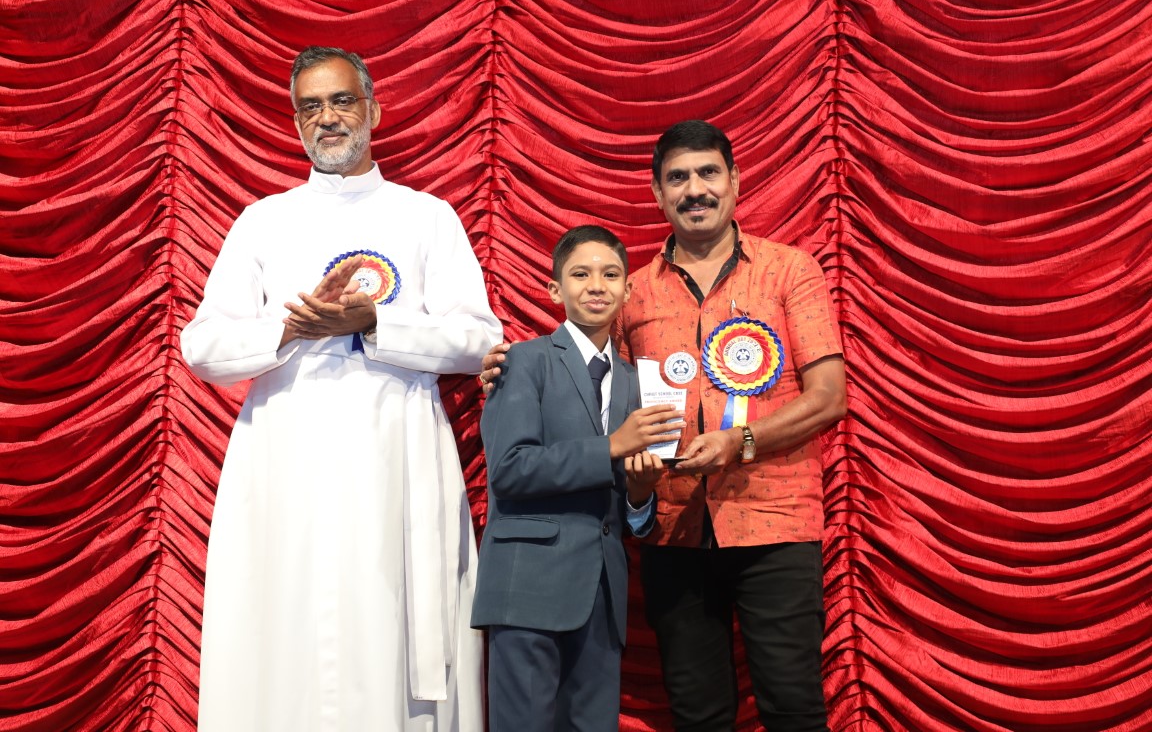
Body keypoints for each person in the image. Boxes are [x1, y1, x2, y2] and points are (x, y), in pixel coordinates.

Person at [480, 120, 846, 732]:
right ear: (657, 193)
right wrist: (507, 366)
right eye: (678, 178)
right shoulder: (634, 291)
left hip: (775, 522)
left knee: (793, 708)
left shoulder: (789, 271)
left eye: (708, 173)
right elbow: (595, 387)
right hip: (672, 529)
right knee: (697, 715)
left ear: (735, 181)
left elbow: (829, 397)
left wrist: (739, 441)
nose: (694, 189)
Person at [181, 46, 502, 732]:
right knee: (288, 624)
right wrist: (290, 327)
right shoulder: (264, 221)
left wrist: (376, 322)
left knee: (389, 616)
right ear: (296, 122)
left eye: (340, 101)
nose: (326, 118)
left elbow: (478, 338)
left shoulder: (426, 217)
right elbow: (202, 346)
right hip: (284, 463)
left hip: (398, 457)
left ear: (373, 111)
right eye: (310, 107)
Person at [470, 226, 683, 732]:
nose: (596, 286)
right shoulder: (522, 360)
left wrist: (639, 495)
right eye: (581, 274)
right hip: (527, 587)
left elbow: (631, 509)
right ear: (554, 289)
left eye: (610, 275)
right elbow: (509, 470)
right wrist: (611, 446)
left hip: (602, 595)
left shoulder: (637, 382)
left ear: (627, 290)